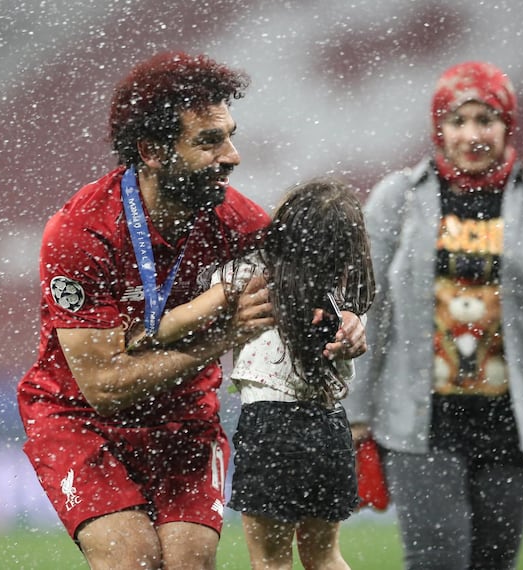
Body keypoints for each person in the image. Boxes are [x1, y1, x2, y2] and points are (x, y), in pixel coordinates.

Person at [16, 52, 366, 570]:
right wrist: (222, 338)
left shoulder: (241, 223)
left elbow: (304, 296)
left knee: (188, 564)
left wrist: (343, 326)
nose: (233, 155)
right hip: (80, 420)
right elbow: (106, 388)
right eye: (209, 141)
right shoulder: (81, 234)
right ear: (153, 151)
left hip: (185, 419)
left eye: (229, 135)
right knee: (131, 560)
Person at [343, 61, 523, 570]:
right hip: (417, 423)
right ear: (438, 129)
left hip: (512, 425)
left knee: (493, 564)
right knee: (437, 562)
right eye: (458, 120)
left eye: (486, 119)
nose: (473, 134)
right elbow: (368, 311)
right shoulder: (395, 201)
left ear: (507, 125)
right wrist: (356, 416)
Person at [141, 178, 375, 569]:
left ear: (285, 226)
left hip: (272, 427)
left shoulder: (248, 273)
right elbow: (355, 327)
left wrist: (149, 329)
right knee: (325, 556)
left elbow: (182, 316)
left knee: (271, 562)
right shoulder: (344, 298)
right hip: (331, 428)